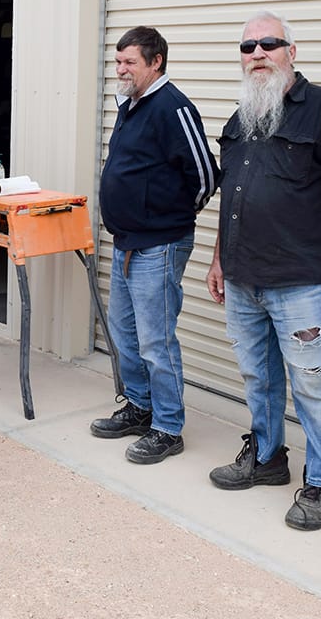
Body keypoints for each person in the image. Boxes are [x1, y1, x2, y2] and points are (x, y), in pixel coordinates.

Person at [205, 9, 321, 531]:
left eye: (269, 43)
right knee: (258, 377)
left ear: (291, 52)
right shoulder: (241, 118)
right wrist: (217, 258)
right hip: (241, 278)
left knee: (313, 383)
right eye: (247, 47)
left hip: (300, 281)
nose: (257, 53)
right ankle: (266, 459)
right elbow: (230, 197)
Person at [90, 26, 219, 465]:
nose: (120, 69)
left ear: (156, 62)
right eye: (118, 61)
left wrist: (172, 217)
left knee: (155, 341)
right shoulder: (131, 105)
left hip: (159, 245)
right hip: (126, 242)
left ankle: (167, 427)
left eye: (129, 62)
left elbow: (205, 177)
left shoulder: (173, 107)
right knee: (126, 333)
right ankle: (139, 407)